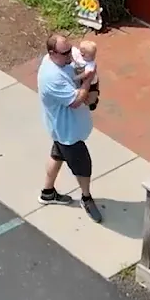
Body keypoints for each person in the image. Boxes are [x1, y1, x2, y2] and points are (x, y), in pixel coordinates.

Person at [39, 33, 101, 222]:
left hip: (59, 128)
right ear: (52, 53)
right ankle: (86, 197)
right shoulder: (52, 78)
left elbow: (78, 62)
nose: (70, 56)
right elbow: (75, 101)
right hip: (68, 131)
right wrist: (88, 80)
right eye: (65, 53)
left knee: (57, 154)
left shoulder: (60, 60)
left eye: (69, 50)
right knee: (83, 165)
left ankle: (47, 192)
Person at [73, 39, 101, 111]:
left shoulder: (91, 63)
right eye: (91, 55)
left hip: (92, 83)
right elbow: (72, 50)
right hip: (83, 80)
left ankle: (92, 102)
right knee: (83, 91)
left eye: (93, 55)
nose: (93, 57)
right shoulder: (79, 54)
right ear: (82, 53)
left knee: (91, 94)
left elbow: (87, 73)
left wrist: (76, 77)